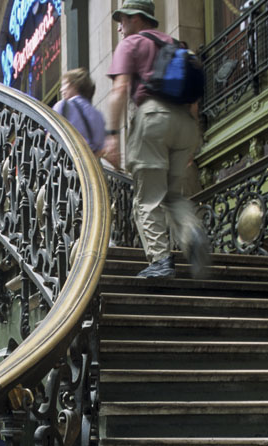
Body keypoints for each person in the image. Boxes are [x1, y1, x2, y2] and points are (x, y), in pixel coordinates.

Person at [103, 0, 210, 279]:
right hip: (185, 124)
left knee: (147, 198)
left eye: (122, 20)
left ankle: (160, 261)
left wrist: (112, 136)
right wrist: (192, 139)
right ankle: (192, 230)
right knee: (172, 196)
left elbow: (120, 89)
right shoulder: (177, 44)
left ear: (137, 18)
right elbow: (194, 100)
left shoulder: (132, 44)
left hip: (152, 119)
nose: (119, 27)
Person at [53, 68, 106, 156]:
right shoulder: (98, 116)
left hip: (67, 162)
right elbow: (100, 150)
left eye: (64, 84)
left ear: (74, 85)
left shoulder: (63, 106)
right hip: (89, 167)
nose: (61, 90)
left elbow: (50, 136)